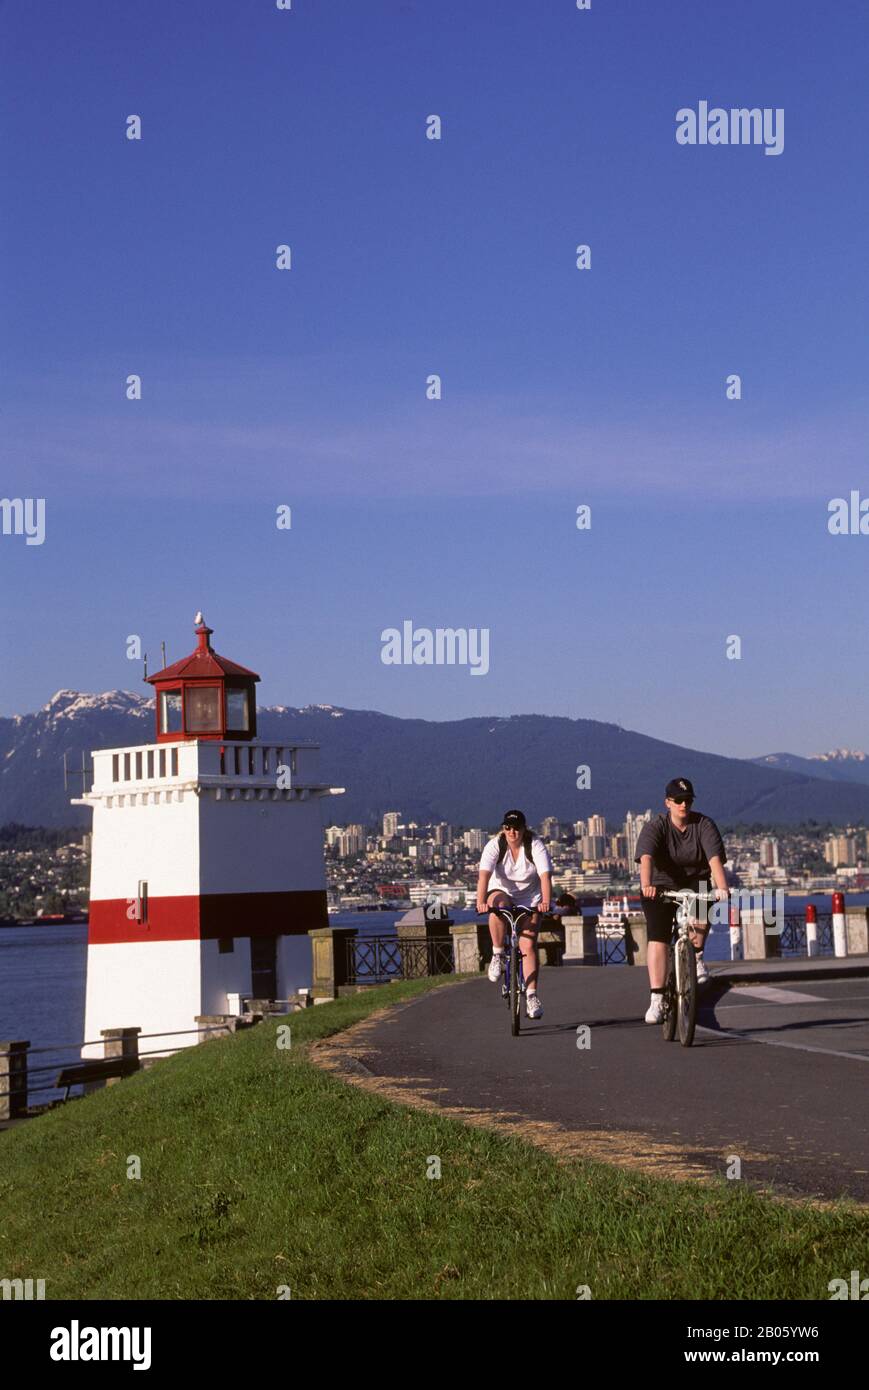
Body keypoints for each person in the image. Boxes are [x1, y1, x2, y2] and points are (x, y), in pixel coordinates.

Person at [634, 777, 728, 1023]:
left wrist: (723, 887)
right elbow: (646, 858)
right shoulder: (655, 827)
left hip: (696, 880)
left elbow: (714, 860)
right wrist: (646, 885)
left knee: (704, 900)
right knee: (658, 937)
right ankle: (656, 998)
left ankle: (696, 956)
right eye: (678, 801)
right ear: (668, 803)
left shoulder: (704, 824)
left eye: (687, 800)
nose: (683, 805)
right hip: (661, 885)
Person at [476, 809, 553, 1020]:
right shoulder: (495, 846)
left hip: (531, 897)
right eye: (508, 828)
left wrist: (545, 902)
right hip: (502, 891)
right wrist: (481, 902)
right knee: (498, 907)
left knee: (527, 944)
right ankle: (498, 954)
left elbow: (545, 876)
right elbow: (484, 876)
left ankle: (531, 996)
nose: (512, 832)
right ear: (503, 829)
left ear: (524, 828)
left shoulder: (535, 845)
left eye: (516, 828)